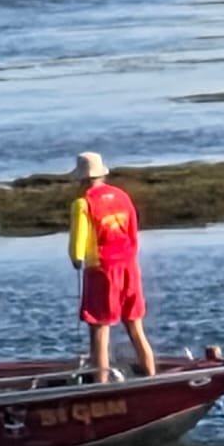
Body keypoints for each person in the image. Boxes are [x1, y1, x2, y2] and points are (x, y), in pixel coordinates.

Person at [68, 151, 155, 382]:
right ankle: (151, 375)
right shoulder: (122, 196)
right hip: (128, 264)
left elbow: (79, 241)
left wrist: (76, 259)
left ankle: (101, 383)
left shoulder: (83, 203)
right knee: (135, 325)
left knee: (99, 328)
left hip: (102, 268)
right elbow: (133, 230)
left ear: (82, 179)